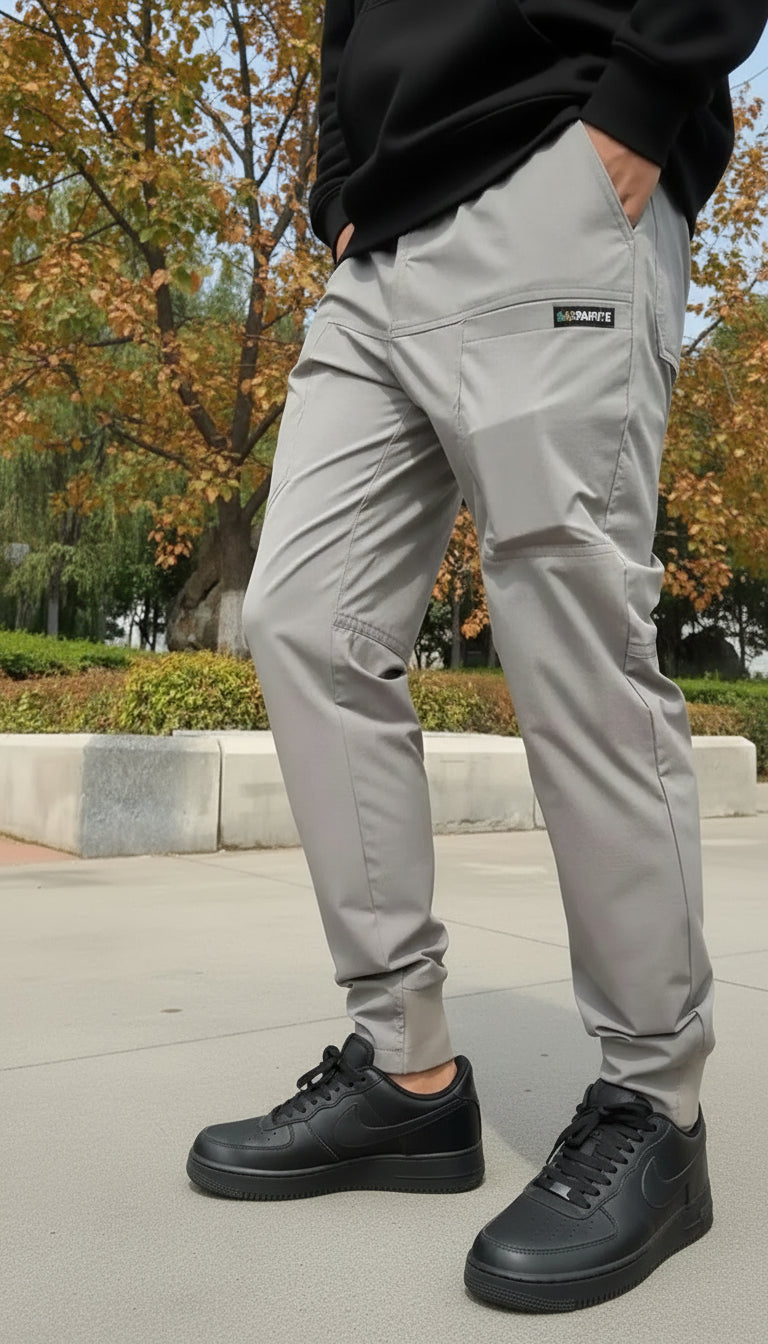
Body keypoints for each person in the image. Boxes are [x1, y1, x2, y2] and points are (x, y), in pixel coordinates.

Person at [187, 0, 768, 1313]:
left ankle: (655, 1107)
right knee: (304, 619)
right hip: (380, 240)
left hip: (559, 154)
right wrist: (340, 188)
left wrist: (640, 102)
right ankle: (408, 1073)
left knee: (572, 635)